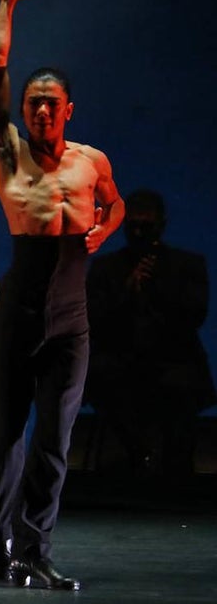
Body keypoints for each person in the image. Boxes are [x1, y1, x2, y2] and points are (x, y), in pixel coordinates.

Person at [0, 0, 124, 591]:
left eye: (49, 102)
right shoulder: (7, 150)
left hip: (71, 316)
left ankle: (37, 549)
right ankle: (1, 544)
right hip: (21, 309)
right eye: (31, 101)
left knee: (55, 441)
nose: (38, 109)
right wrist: (9, 0)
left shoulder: (92, 161)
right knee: (9, 435)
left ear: (68, 109)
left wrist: (103, 231)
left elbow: (115, 205)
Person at [86, 189, 214, 476]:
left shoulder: (187, 265)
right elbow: (92, 319)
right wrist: (127, 290)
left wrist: (157, 286)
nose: (140, 233)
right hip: (120, 363)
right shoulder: (106, 268)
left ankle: (173, 471)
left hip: (174, 361)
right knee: (101, 378)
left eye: (147, 226)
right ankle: (141, 455)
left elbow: (195, 315)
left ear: (161, 225)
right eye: (134, 226)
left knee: (182, 391)